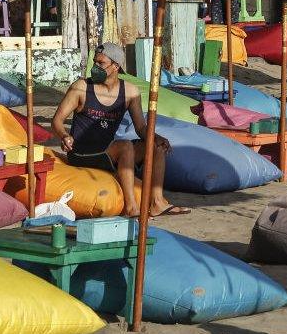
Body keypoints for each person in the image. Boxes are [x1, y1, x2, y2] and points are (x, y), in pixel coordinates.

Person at [51, 42, 189, 218]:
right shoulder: (81, 88)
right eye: (94, 62)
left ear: (115, 66)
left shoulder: (130, 92)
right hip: (81, 152)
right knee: (125, 146)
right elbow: (57, 121)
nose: (95, 67)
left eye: (100, 63)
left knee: (156, 147)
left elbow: (140, 128)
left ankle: (157, 203)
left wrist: (156, 137)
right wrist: (64, 135)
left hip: (107, 150)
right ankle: (131, 207)